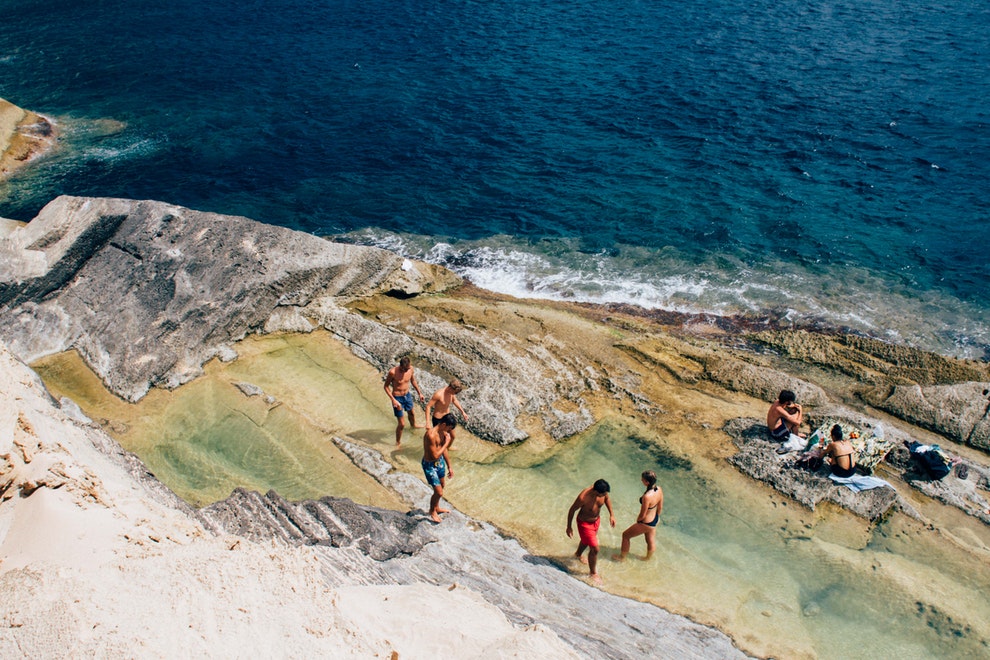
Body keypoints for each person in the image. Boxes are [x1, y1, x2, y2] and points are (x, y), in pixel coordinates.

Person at [566, 479, 616, 583]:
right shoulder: (583, 497)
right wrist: (569, 527)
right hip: (584, 524)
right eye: (603, 494)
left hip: (596, 521)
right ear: (596, 492)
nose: (605, 495)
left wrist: (611, 515)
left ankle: (578, 554)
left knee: (585, 541)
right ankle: (593, 573)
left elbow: (607, 499)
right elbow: (572, 510)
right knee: (595, 548)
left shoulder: (603, 492)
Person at [613, 471, 663, 562]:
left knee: (625, 536)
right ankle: (647, 558)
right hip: (654, 519)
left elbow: (643, 514)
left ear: (647, 482)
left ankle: (622, 557)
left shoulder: (647, 497)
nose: (641, 480)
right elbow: (660, 506)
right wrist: (657, 517)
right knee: (650, 540)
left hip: (646, 522)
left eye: (643, 479)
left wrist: (638, 521)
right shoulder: (659, 489)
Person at [422, 413, 457, 523]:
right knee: (439, 492)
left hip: (439, 463)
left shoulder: (443, 432)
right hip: (429, 465)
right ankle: (432, 511)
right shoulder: (431, 435)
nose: (449, 431)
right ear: (443, 424)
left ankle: (437, 507)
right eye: (449, 428)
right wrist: (447, 443)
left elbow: (443, 451)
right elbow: (435, 455)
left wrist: (449, 466)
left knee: (442, 485)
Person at [384, 356, 425, 446]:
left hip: (407, 395)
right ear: (401, 366)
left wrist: (419, 393)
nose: (407, 370)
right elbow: (386, 387)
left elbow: (413, 380)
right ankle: (397, 442)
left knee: (411, 413)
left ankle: (413, 425)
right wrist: (393, 400)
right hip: (397, 398)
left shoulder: (410, 369)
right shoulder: (393, 372)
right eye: (405, 369)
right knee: (402, 424)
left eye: (408, 368)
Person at [425, 379, 469, 450]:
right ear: (451, 388)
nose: (455, 394)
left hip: (448, 418)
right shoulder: (439, 394)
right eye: (455, 392)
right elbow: (428, 406)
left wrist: (463, 412)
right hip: (438, 420)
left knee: (452, 436)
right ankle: (439, 451)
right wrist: (427, 422)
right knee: (440, 439)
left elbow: (454, 400)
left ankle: (447, 448)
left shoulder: (451, 394)